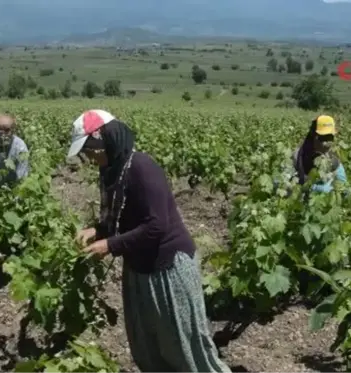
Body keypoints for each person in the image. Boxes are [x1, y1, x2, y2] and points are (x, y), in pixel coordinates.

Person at [67, 109, 231, 373]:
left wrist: (110, 245)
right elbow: (121, 218)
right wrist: (97, 231)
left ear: (106, 140)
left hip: (168, 268)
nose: (88, 157)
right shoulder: (110, 171)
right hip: (140, 268)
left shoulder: (142, 166)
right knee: (148, 347)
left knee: (186, 348)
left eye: (90, 150)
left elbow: (156, 226)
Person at [291, 115, 347, 193]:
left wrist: (336, 189)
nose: (327, 143)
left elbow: (344, 185)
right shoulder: (298, 156)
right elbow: (282, 184)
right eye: (323, 138)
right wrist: (314, 188)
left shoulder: (333, 158)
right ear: (313, 136)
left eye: (330, 138)